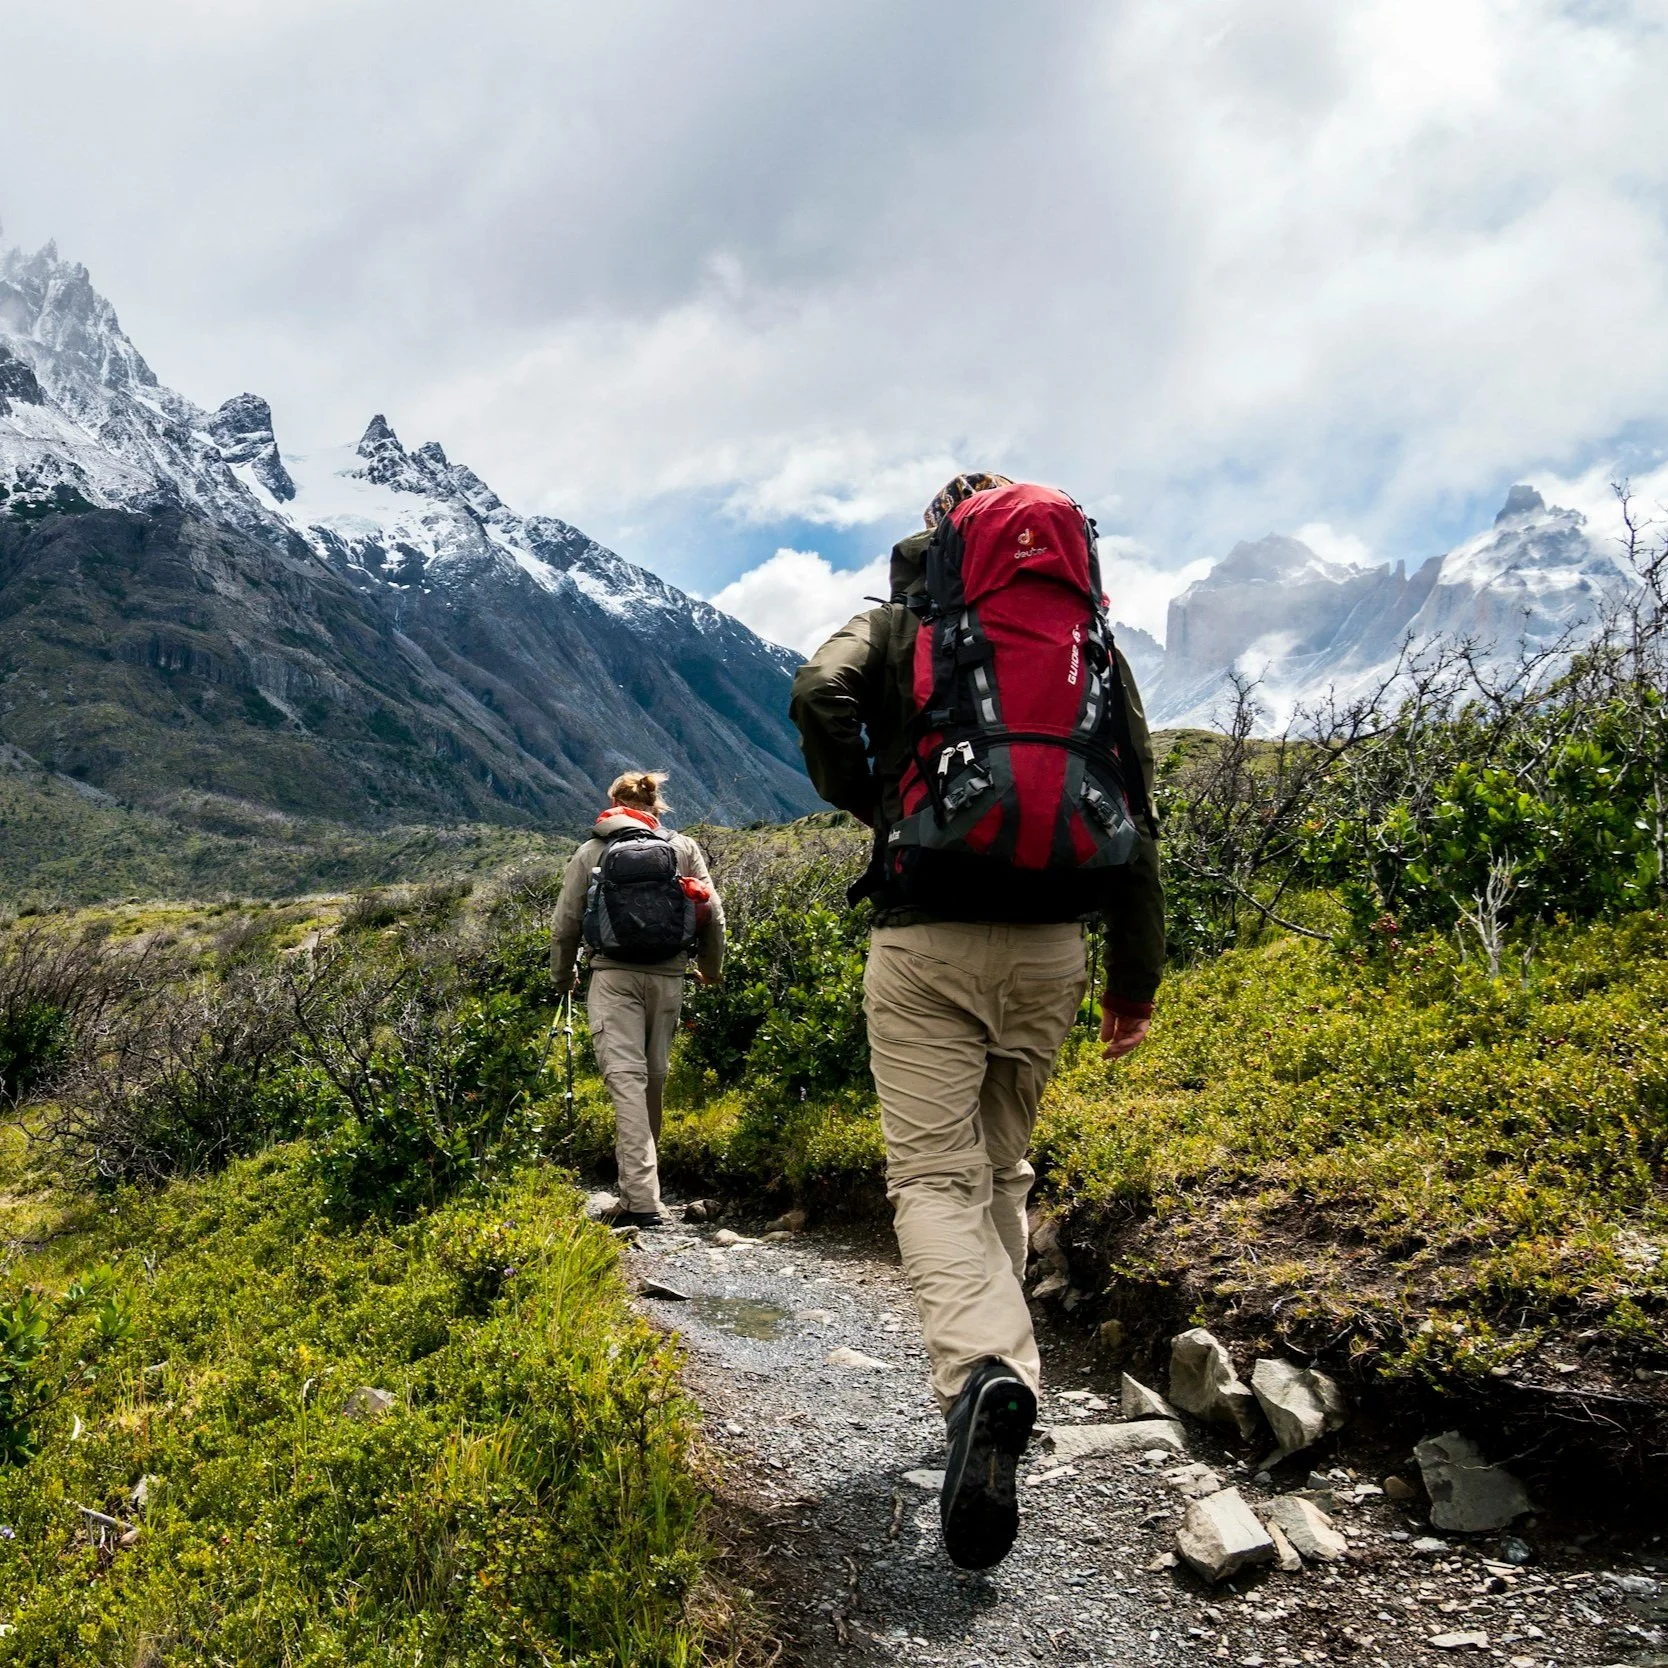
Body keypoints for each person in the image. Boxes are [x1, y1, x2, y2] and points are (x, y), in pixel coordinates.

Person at [790, 473, 1164, 1570]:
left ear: (943, 539)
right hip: (1053, 948)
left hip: (927, 938)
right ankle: (1004, 1384)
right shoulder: (1087, 645)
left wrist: (872, 798)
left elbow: (819, 693)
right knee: (1003, 1169)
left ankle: (982, 1379)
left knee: (931, 1179)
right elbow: (1137, 803)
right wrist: (1133, 983)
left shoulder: (906, 624)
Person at [550, 771, 725, 1228]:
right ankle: (644, 1188)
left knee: (625, 1079)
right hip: (669, 977)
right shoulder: (682, 848)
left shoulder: (591, 851)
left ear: (613, 803)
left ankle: (641, 1200)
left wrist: (564, 975)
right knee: (653, 1079)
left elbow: (565, 923)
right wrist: (710, 969)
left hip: (613, 978)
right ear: (656, 805)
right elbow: (714, 915)